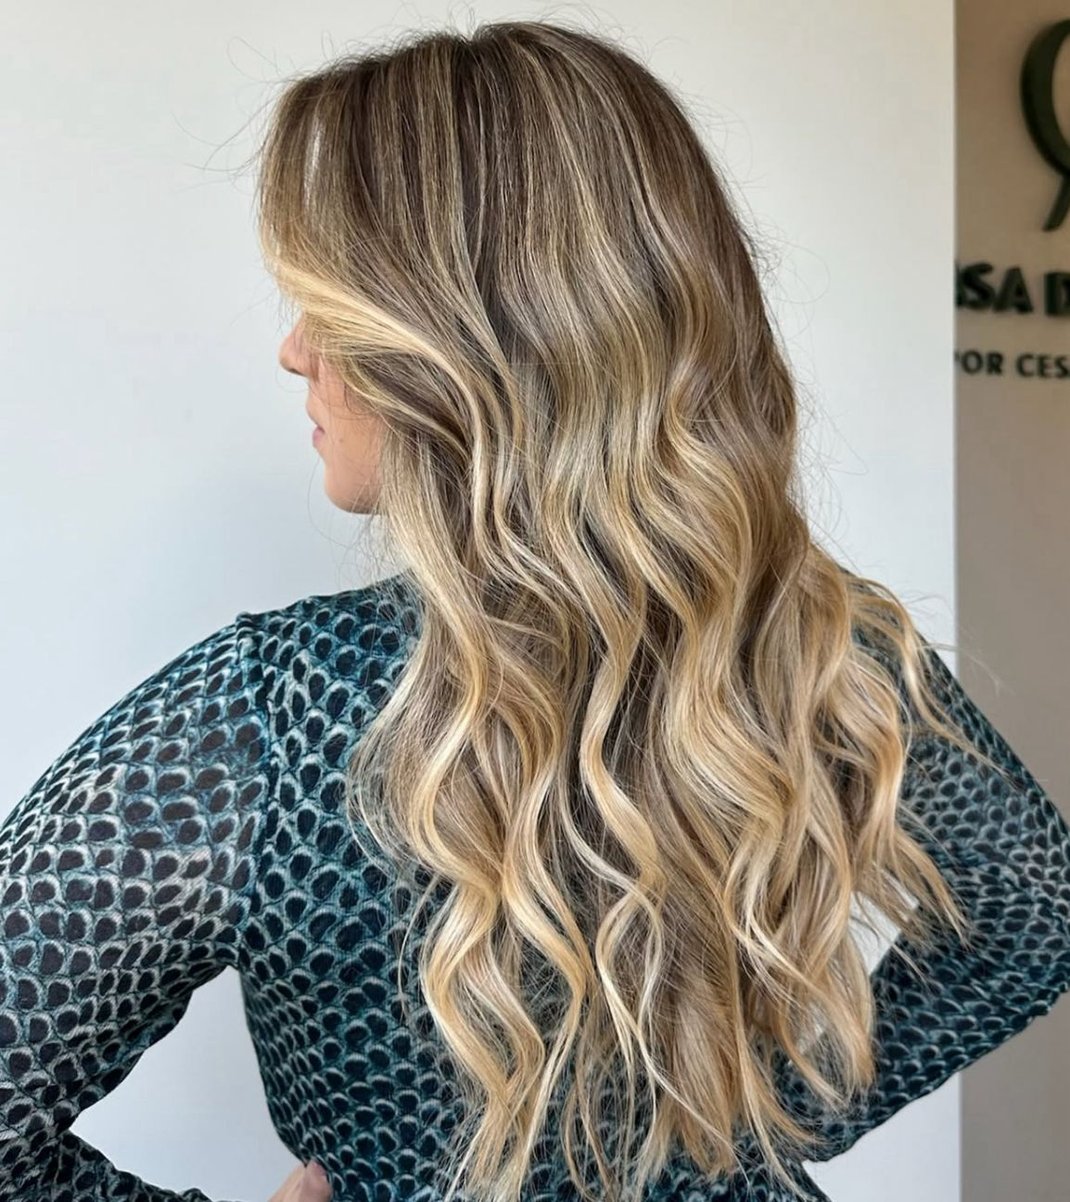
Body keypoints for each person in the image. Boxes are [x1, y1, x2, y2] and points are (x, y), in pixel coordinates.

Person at [3, 17, 1070, 1202]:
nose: (294, 352)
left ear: (452, 344)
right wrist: (762, 1133)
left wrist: (777, 1119)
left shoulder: (275, 712)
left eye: (327, 307)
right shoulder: (816, 647)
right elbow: (1029, 913)